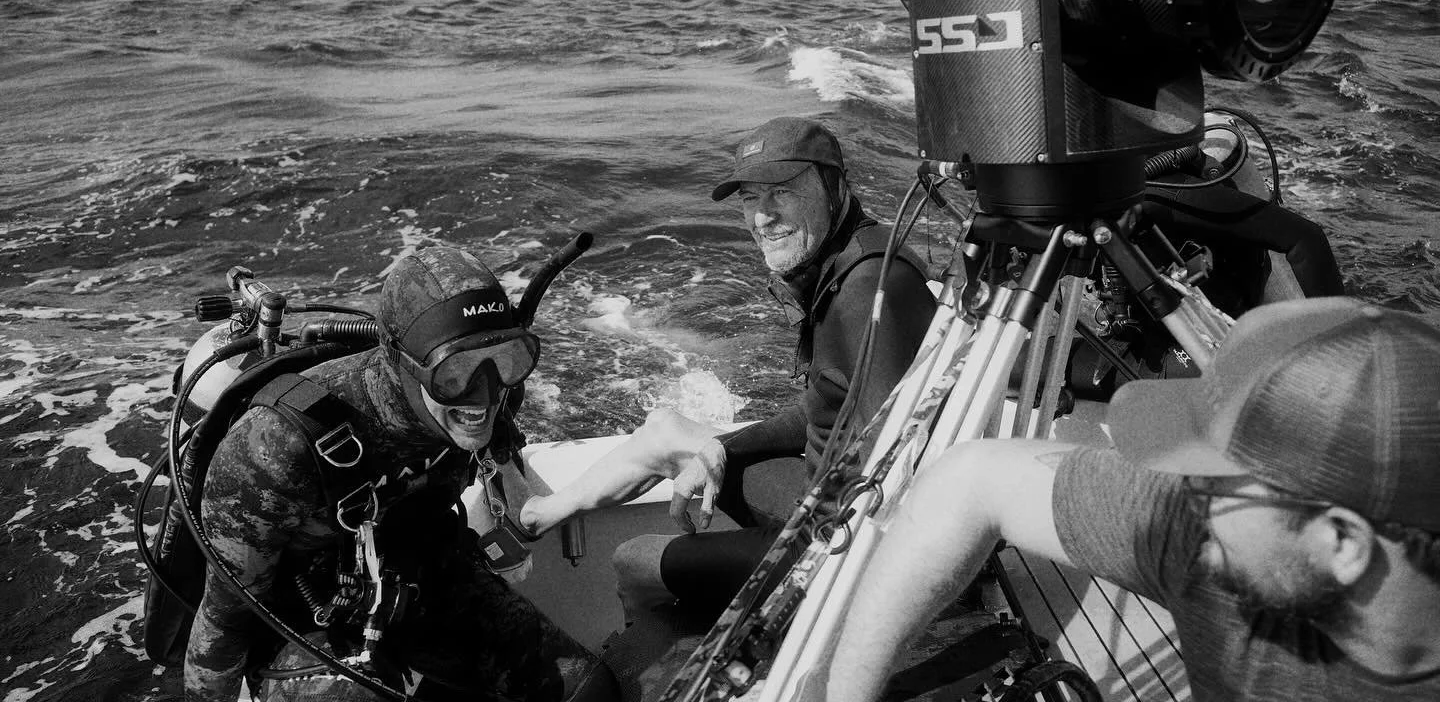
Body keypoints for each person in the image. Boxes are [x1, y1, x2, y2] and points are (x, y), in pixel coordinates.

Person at [827, 296, 1440, 702]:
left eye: (1211, 487)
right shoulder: (1209, 539)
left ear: (1343, 542)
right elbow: (973, 479)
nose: (1186, 505)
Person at [522, 116, 937, 622]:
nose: (762, 217)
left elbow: (896, 475)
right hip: (820, 490)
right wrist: (723, 448)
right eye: (749, 198)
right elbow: (826, 404)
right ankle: (540, 513)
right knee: (667, 432)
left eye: (782, 192)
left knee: (632, 560)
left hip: (838, 545)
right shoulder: (845, 263)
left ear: (835, 186)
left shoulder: (868, 293)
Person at [185, 244, 615, 702]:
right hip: (305, 621)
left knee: (589, 691)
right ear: (404, 365)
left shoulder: (494, 394)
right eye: (455, 373)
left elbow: (502, 458)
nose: (483, 394)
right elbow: (225, 620)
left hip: (424, 574)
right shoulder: (274, 450)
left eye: (508, 358)